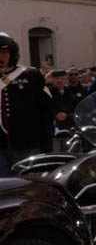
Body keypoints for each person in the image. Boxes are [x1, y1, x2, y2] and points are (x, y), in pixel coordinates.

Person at [0, 33, 52, 175]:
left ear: (12, 53)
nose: (0, 56)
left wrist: (46, 141)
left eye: (4, 52)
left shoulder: (30, 75)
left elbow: (46, 109)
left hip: (26, 144)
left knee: (29, 185)